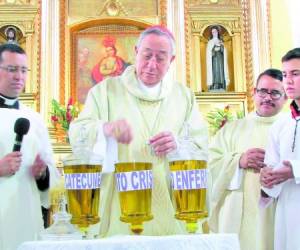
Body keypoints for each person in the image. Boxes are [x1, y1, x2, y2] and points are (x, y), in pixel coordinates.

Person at [69, 25, 208, 236]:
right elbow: (78, 132)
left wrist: (178, 144)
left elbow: (202, 145)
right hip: (120, 200)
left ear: (171, 61)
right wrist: (105, 130)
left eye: (160, 58)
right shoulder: (104, 91)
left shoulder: (184, 96)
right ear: (136, 52)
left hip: (170, 199)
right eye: (147, 55)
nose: (152, 64)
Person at [208, 69, 287, 250]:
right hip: (237, 213)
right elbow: (210, 165)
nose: (267, 97)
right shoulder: (232, 129)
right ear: (254, 92)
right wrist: (238, 162)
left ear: (285, 97)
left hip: (278, 212)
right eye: (262, 91)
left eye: (275, 93)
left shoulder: (291, 130)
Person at [0, 43, 59, 249]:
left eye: (23, 70)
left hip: (26, 215)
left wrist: (42, 174)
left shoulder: (33, 118)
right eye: (12, 69)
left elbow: (50, 171)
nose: (19, 77)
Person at [260, 48, 300, 250]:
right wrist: (267, 180)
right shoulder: (281, 124)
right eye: (285, 75)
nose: (288, 81)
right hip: (286, 214)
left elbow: (290, 169)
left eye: (296, 73)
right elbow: (271, 167)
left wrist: (295, 170)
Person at [206, 26, 229, 91]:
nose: (214, 33)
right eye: (213, 32)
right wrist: (213, 48)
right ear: (211, 33)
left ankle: (221, 84)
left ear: (217, 32)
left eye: (215, 32)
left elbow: (224, 51)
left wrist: (221, 47)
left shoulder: (220, 41)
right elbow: (208, 52)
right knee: (215, 71)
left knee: (220, 71)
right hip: (213, 59)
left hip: (220, 60)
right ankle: (214, 84)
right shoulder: (210, 42)